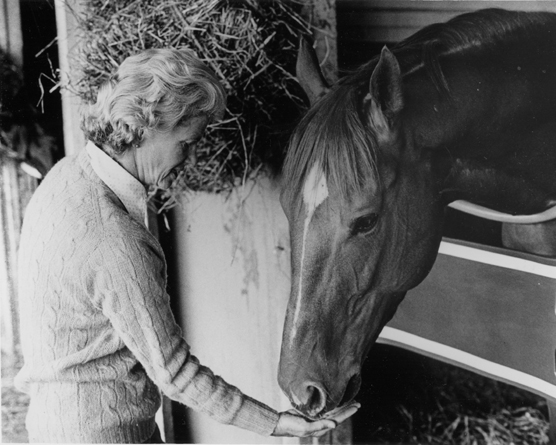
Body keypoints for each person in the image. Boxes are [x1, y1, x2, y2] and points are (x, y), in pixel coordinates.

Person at [15, 48, 359, 443]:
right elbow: (174, 373)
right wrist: (277, 423)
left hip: (51, 424)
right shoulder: (115, 238)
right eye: (187, 142)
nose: (191, 156)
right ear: (147, 125)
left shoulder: (65, 178)